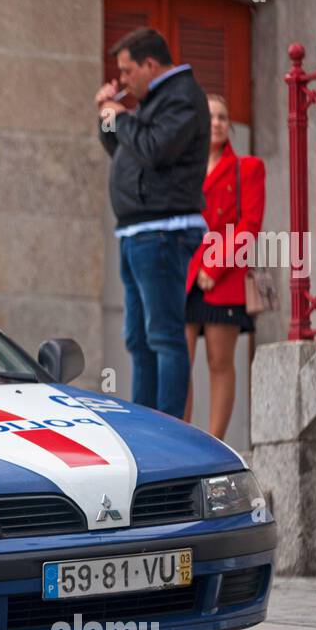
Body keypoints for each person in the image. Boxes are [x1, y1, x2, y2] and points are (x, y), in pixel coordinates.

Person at [96, 27, 210, 418]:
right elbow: (122, 150)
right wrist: (107, 118)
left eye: (127, 71)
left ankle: (166, 431)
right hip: (138, 232)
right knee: (139, 340)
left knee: (163, 336)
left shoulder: (182, 97)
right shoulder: (151, 101)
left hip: (164, 231)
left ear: (149, 64)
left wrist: (123, 118)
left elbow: (154, 150)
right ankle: (145, 427)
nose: (123, 80)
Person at [183, 94, 265, 440]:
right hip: (186, 274)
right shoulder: (184, 168)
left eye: (223, 117)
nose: (216, 122)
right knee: (178, 364)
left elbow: (250, 226)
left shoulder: (247, 167)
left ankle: (214, 443)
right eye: (210, 116)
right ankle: (179, 440)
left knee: (219, 362)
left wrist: (214, 266)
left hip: (224, 278)